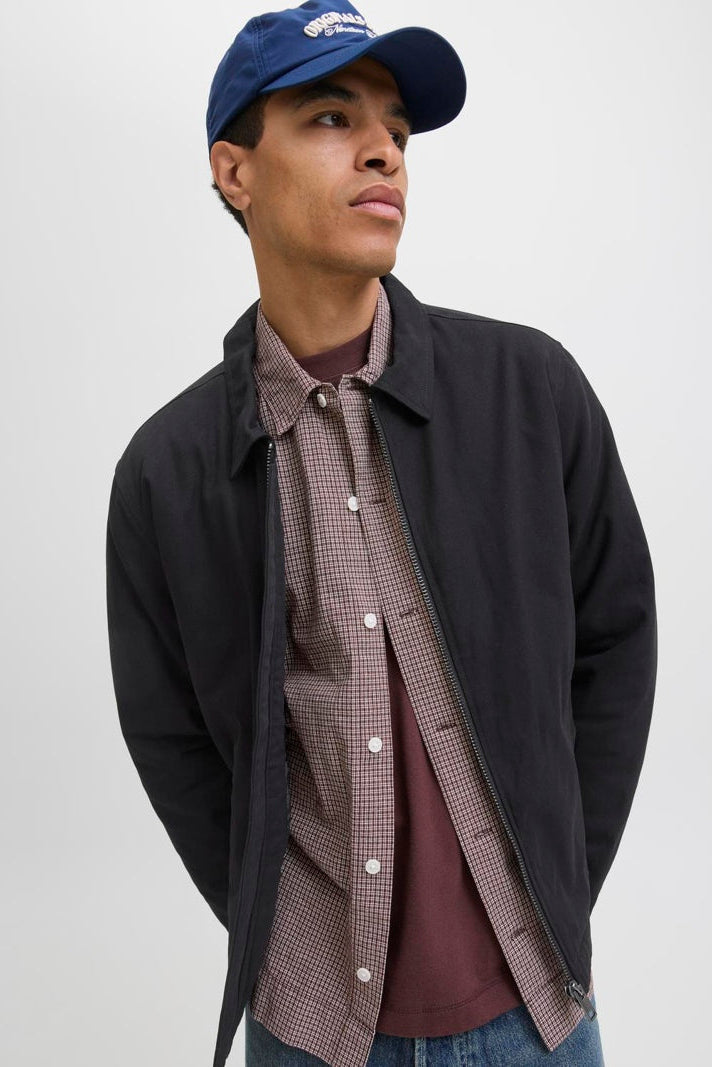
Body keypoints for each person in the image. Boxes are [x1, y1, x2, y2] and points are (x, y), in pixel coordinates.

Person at [105, 2, 657, 1065]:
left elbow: (615, 643)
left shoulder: (530, 390)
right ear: (234, 171)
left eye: (396, 131)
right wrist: (279, 935)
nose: (382, 152)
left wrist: (554, 884)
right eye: (330, 118)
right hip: (310, 1028)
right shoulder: (168, 473)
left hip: (534, 1014)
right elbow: (171, 736)